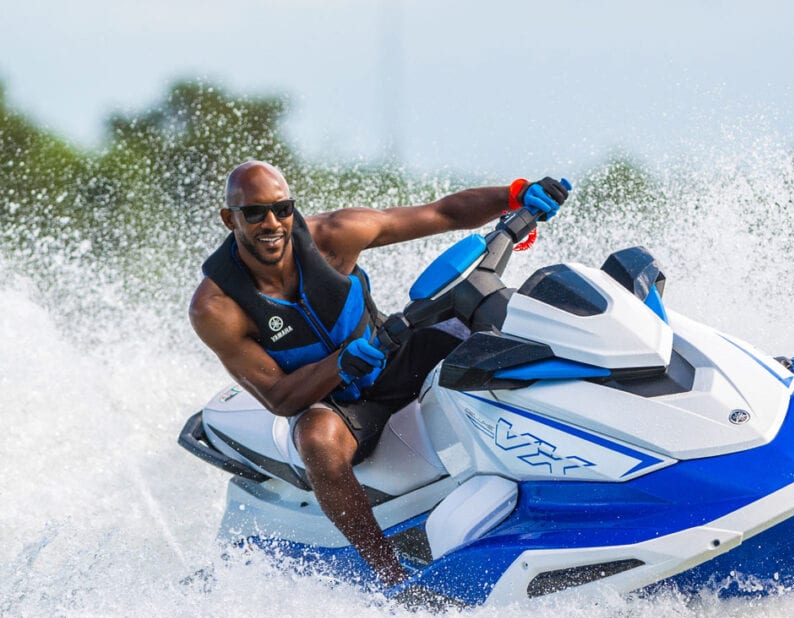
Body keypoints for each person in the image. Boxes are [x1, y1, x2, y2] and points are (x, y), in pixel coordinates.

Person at [189, 161, 571, 587]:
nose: (272, 223)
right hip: (333, 400)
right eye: (255, 212)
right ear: (230, 219)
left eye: (282, 208)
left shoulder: (336, 234)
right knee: (317, 440)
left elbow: (443, 213)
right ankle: (390, 578)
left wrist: (515, 195)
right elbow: (280, 398)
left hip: (393, 356)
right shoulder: (216, 308)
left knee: (502, 322)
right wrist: (340, 363)